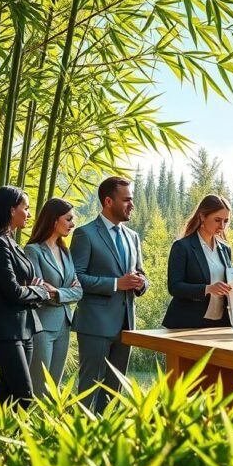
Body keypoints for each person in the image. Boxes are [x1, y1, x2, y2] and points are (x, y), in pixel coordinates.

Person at [71, 176, 149, 413]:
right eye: (126, 200)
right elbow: (77, 279)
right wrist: (116, 283)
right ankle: (79, 440)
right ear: (108, 201)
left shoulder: (133, 237)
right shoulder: (85, 234)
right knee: (88, 388)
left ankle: (107, 440)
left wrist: (140, 283)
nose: (132, 205)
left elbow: (142, 275)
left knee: (114, 392)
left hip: (125, 326)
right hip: (95, 325)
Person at [0, 186, 54, 407]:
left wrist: (31, 289)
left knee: (8, 395)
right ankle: (18, 439)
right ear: (12, 210)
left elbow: (22, 288)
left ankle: (2, 439)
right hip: (4, 329)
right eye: (25, 208)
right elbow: (13, 291)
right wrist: (41, 291)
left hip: (24, 326)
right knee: (25, 394)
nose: (29, 214)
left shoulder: (11, 242)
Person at [24, 198, 83, 396]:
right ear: (53, 220)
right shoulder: (33, 250)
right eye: (68, 219)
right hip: (42, 328)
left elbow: (79, 290)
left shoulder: (65, 252)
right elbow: (39, 292)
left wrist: (57, 292)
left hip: (64, 326)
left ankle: (48, 426)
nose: (72, 224)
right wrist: (64, 292)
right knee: (39, 388)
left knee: (54, 389)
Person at [162, 195, 233, 328]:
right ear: (202, 216)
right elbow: (175, 287)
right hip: (187, 323)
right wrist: (208, 289)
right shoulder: (182, 247)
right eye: (217, 220)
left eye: (226, 221)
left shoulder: (225, 249)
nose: (222, 226)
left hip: (220, 324)